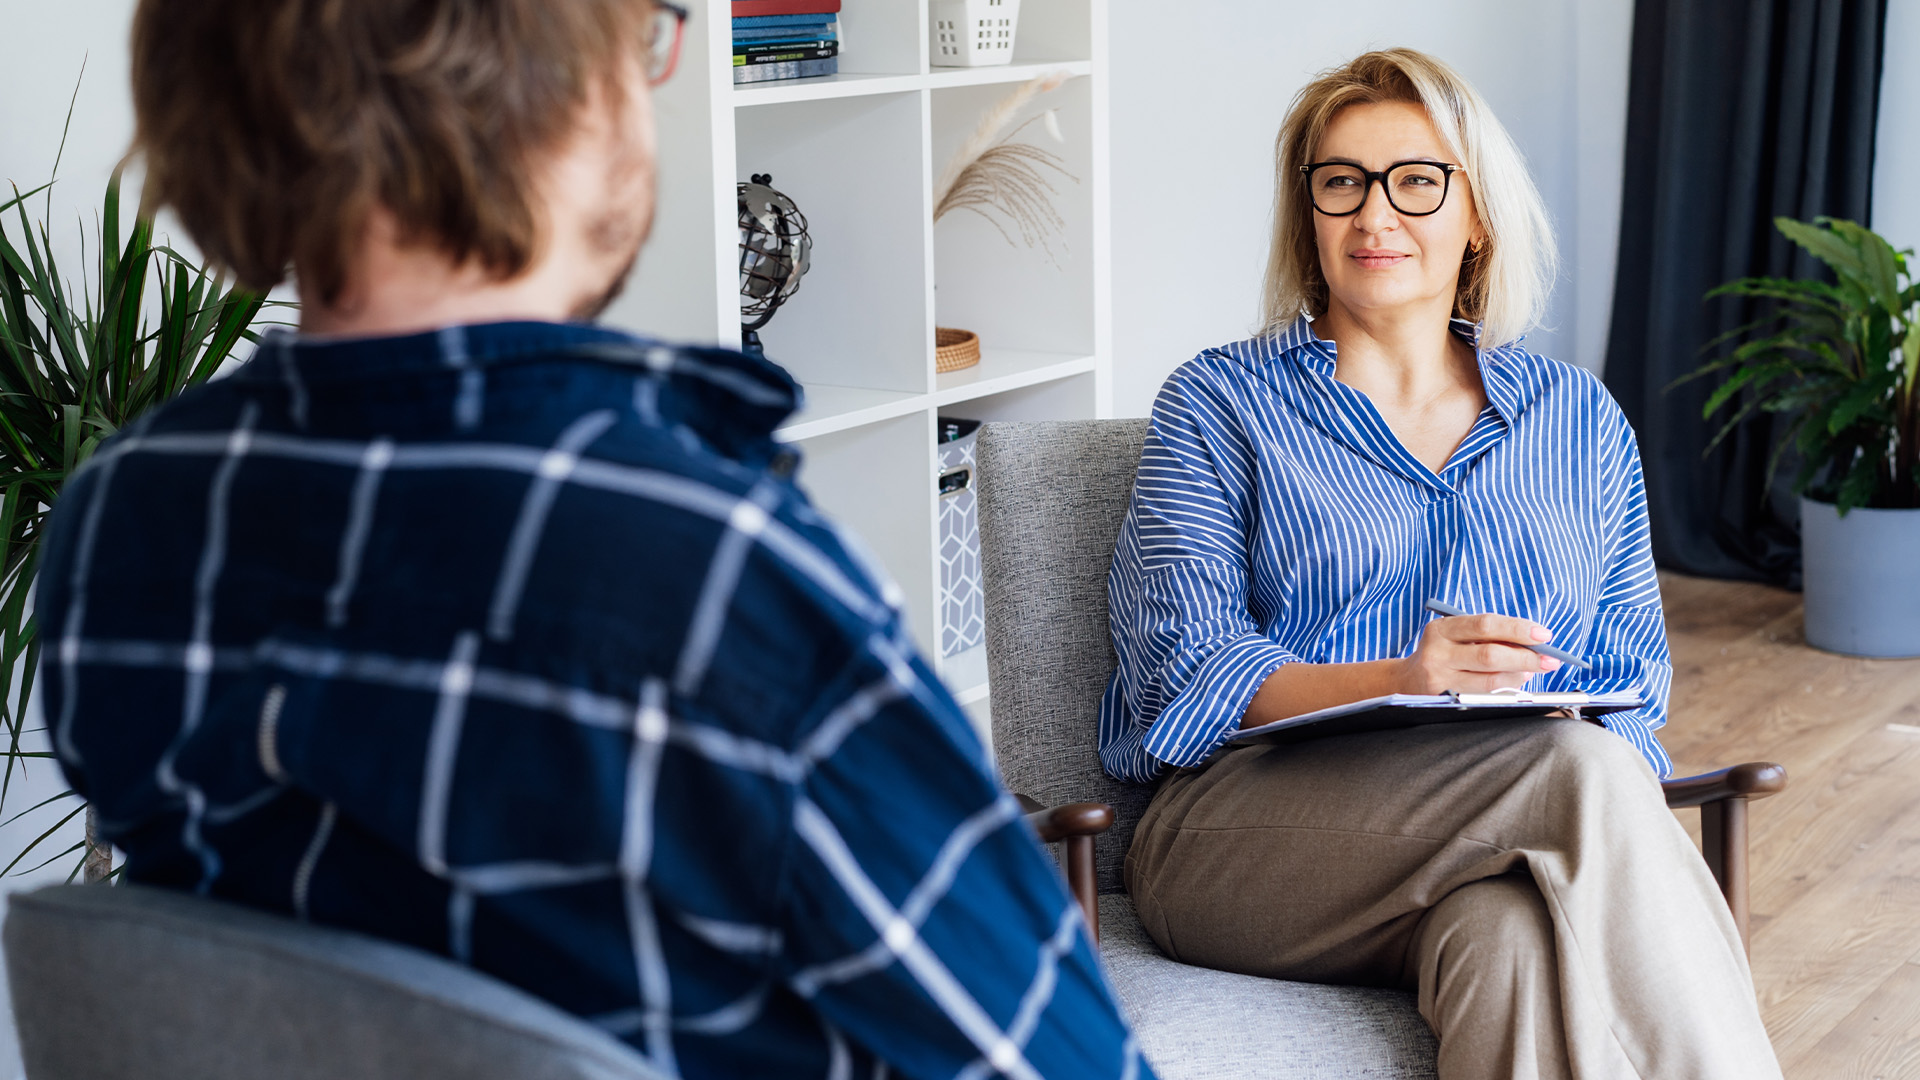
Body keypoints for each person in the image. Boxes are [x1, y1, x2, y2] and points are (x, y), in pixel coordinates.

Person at [36, 2, 1150, 1077]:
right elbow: (1059, 1059)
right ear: (552, 88)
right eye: (641, 31)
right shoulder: (708, 573)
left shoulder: (121, 525)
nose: (653, 76)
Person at [1103, 49, 1782, 1079]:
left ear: (1479, 216)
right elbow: (1185, 677)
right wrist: (1402, 680)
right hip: (1243, 838)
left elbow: (1634, 680)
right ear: (1309, 214)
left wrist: (1553, 709)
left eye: (1416, 181)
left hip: (1501, 826)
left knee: (1510, 941)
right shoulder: (1217, 402)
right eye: (1342, 182)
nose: (1376, 216)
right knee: (1577, 772)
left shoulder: (1577, 418)